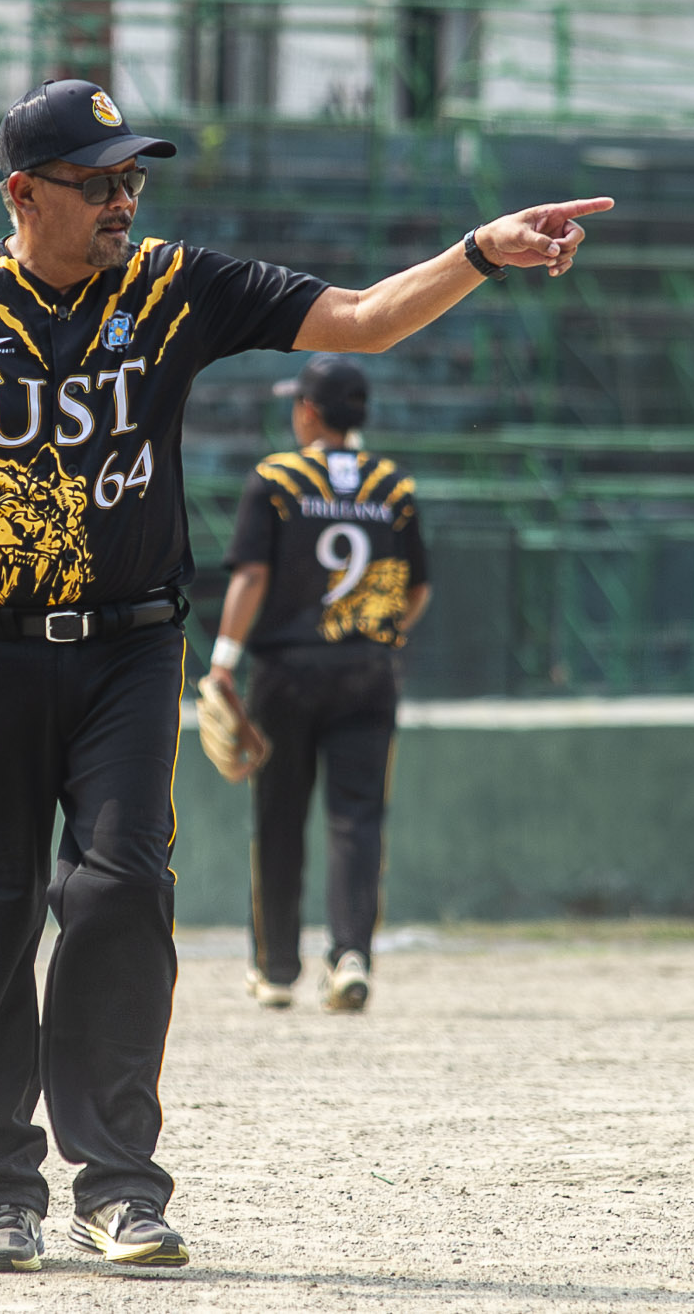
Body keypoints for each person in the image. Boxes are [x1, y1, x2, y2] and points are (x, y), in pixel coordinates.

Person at [0, 76, 608, 1273]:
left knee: (124, 885)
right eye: (98, 181)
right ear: (24, 191)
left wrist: (476, 254)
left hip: (130, 645)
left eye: (134, 176)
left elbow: (361, 318)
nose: (125, 198)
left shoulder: (171, 286)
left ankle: (118, 1184)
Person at [205, 355, 430, 1014]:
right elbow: (418, 589)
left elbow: (250, 576)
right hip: (367, 670)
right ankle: (351, 954)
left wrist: (223, 660)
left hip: (287, 670)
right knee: (356, 817)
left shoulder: (276, 479)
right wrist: (383, 632)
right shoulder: (393, 485)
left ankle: (276, 968)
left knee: (279, 816)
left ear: (308, 411)